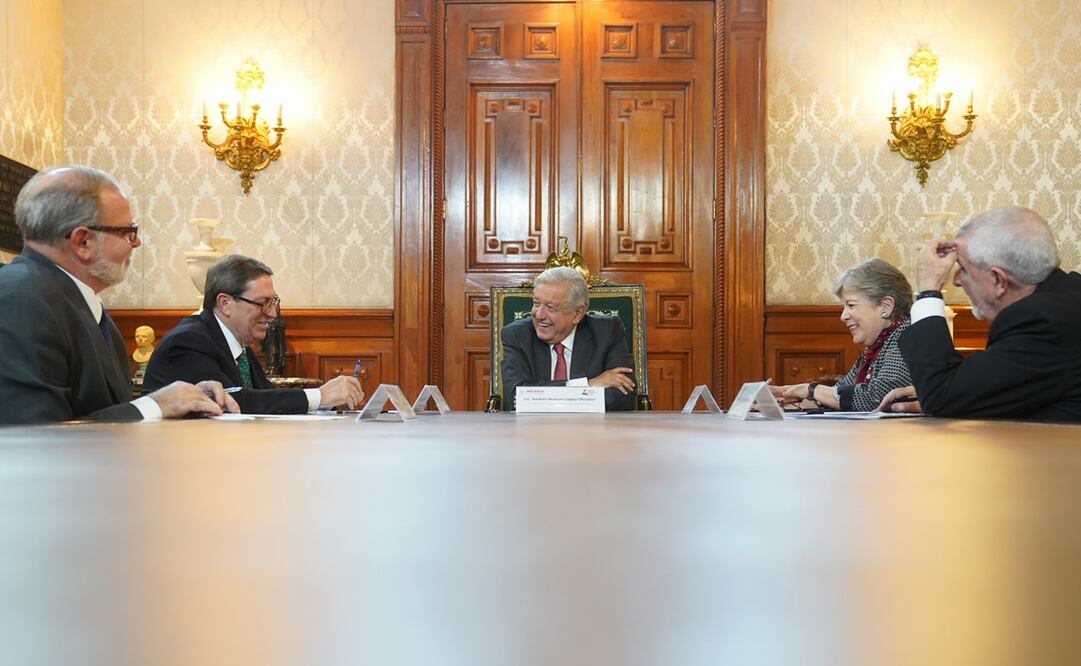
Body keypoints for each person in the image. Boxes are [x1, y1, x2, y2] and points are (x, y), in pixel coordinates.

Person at [0, 165, 237, 425]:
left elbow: (104, 411)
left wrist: (183, 399)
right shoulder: (20, 302)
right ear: (83, 242)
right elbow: (32, 437)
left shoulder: (79, 304)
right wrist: (156, 405)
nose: (136, 242)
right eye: (127, 232)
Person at [880, 206, 1081, 421]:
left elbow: (940, 395)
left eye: (963, 269)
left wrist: (928, 291)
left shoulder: (1041, 323)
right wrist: (967, 395)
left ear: (998, 280)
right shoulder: (1067, 295)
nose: (956, 280)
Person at [142, 255, 364, 413]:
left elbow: (268, 397)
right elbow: (233, 402)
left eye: (273, 302)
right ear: (225, 303)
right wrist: (321, 396)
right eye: (262, 303)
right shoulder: (189, 341)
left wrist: (327, 404)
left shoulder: (239, 347)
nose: (273, 313)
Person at [770, 258, 914, 411]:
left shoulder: (907, 338)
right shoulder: (876, 346)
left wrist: (811, 390)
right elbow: (841, 391)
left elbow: (876, 398)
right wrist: (793, 396)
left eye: (851, 305)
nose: (843, 316)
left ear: (886, 305)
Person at [500, 266, 636, 411]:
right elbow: (516, 397)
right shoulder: (516, 335)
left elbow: (623, 397)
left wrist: (540, 398)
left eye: (550, 307)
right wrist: (588, 385)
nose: (539, 315)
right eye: (536, 304)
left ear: (578, 313)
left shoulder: (607, 331)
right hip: (533, 428)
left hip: (591, 430)